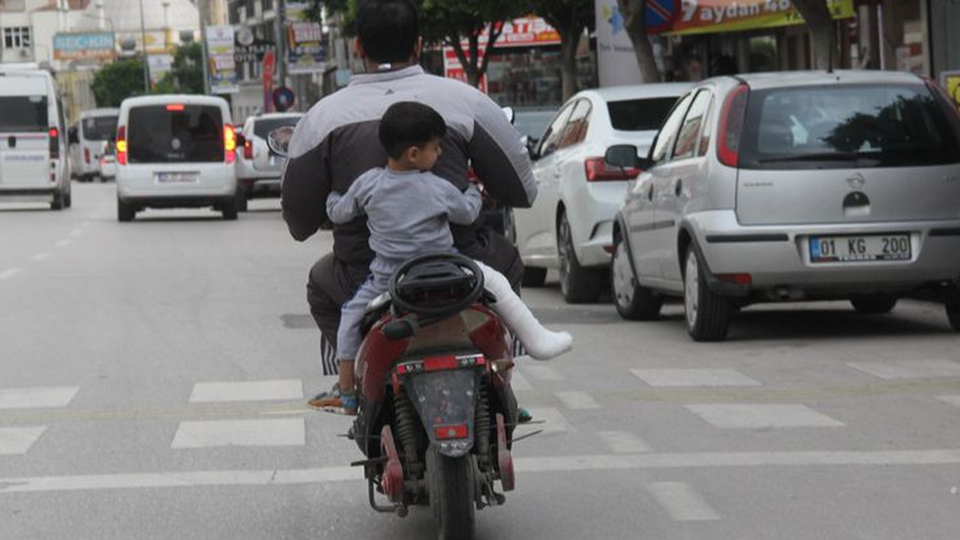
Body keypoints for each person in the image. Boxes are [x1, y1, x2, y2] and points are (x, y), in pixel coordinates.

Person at [280, 0, 539, 411]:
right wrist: (476, 191)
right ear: (419, 45)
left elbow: (298, 220)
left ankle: (350, 383)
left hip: (369, 273)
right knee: (507, 262)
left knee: (321, 284)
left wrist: (334, 203)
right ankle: (503, 381)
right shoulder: (466, 102)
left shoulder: (323, 117)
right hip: (459, 266)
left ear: (358, 47)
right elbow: (523, 190)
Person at [324, 102, 573, 414]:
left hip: (390, 280)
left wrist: (332, 195)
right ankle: (527, 357)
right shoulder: (438, 187)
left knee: (348, 320)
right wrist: (471, 190)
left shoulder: (368, 184)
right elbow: (468, 214)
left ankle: (347, 393)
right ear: (414, 154)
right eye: (436, 148)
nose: (440, 153)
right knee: (497, 285)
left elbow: (340, 211)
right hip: (448, 270)